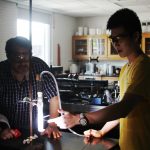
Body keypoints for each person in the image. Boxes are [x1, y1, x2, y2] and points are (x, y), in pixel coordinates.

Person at [62, 8, 150, 150]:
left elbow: (123, 108)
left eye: (119, 38)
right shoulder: (125, 69)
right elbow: (122, 111)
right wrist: (101, 131)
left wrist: (80, 118)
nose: (115, 44)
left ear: (135, 36)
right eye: (113, 39)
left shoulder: (144, 67)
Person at [0, 36, 61, 140]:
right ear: (8, 56)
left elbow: (54, 97)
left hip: (36, 128)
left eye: (26, 56)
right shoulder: (1, 71)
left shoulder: (39, 67)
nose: (22, 62)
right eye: (17, 58)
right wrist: (2, 128)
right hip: (7, 129)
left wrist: (52, 124)